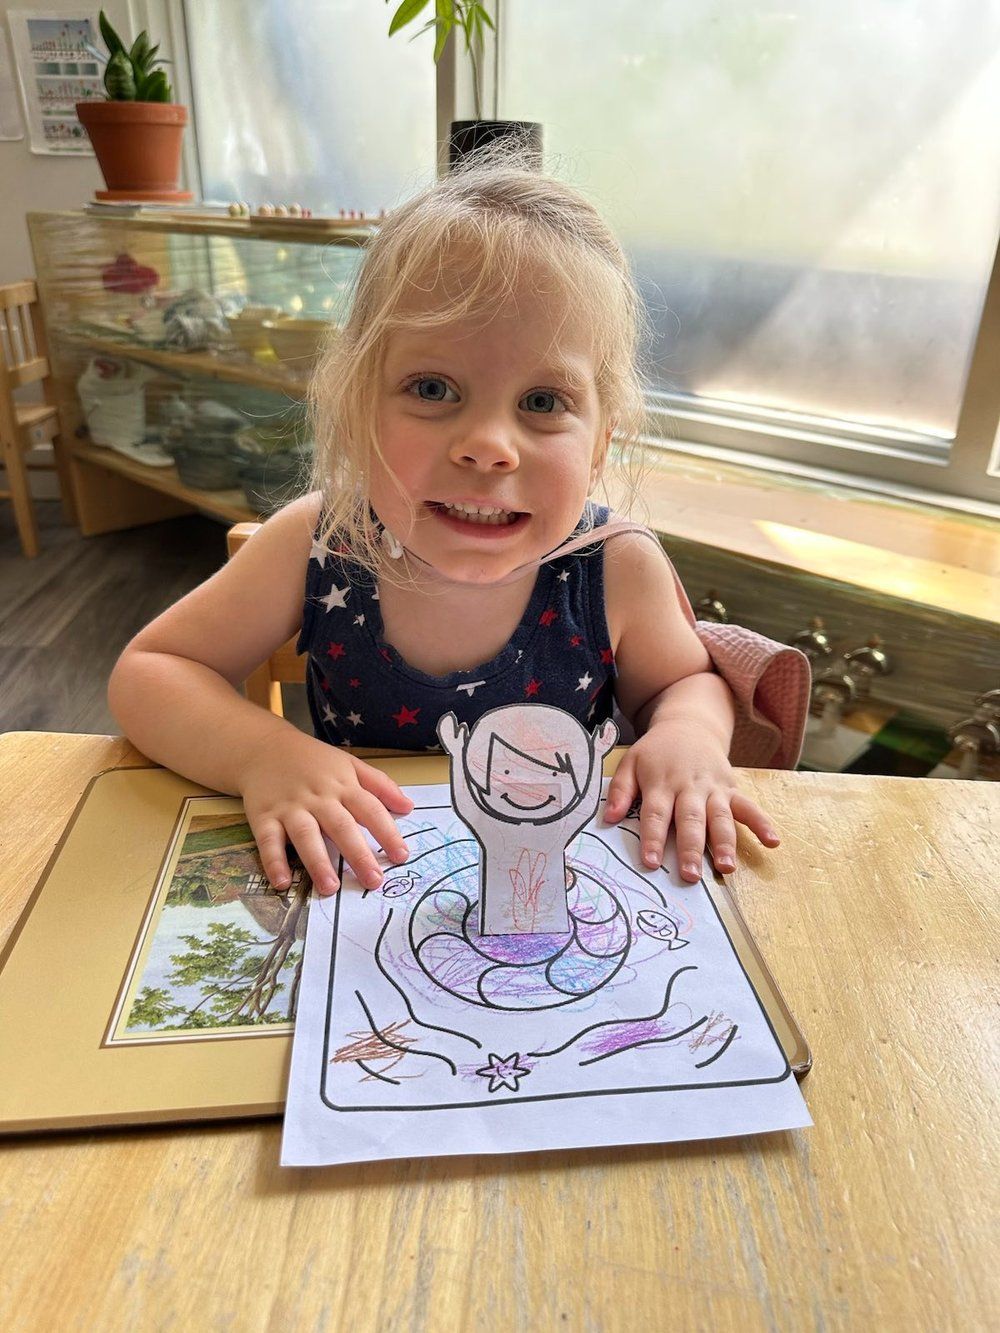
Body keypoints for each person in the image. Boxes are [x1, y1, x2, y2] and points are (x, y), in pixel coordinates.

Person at [109, 157, 809, 901]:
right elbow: (150, 673)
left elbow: (687, 682)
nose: (488, 445)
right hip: (365, 898)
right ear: (359, 406)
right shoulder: (317, 544)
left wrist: (688, 737)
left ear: (601, 441)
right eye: (432, 388)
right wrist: (262, 755)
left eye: (543, 401)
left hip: (559, 891)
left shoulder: (615, 568)